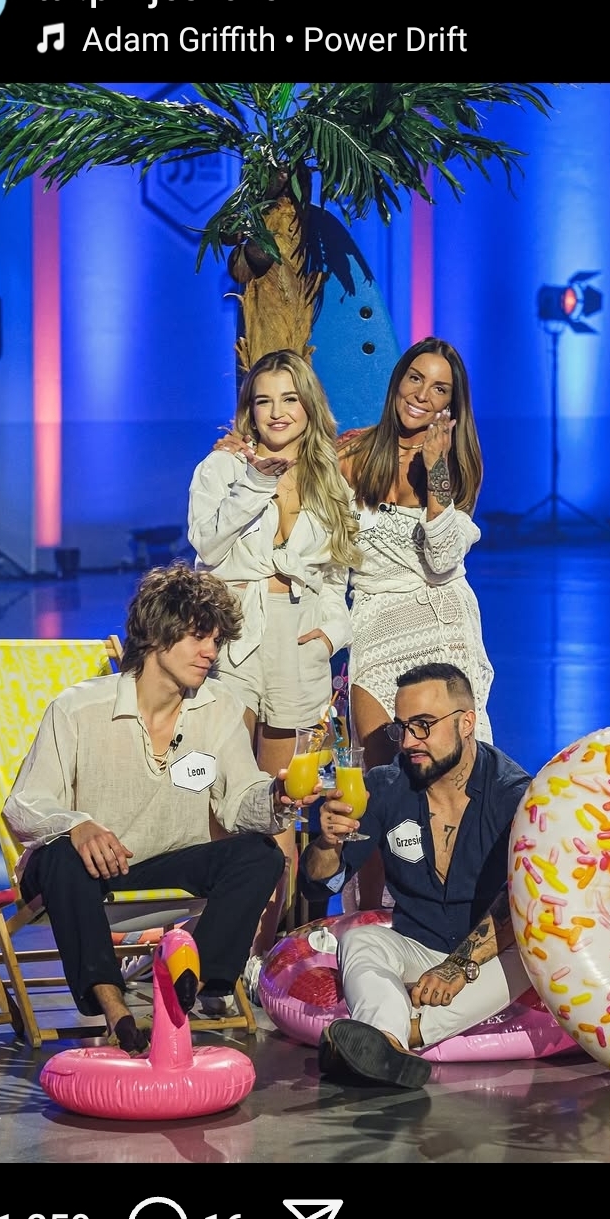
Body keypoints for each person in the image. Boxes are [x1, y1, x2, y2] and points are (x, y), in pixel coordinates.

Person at [3, 565, 302, 1050]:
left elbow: (239, 803)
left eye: (216, 640)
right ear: (156, 634)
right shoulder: (79, 708)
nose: (211, 652)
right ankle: (116, 1010)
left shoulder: (219, 707)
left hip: (167, 866)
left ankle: (189, 985)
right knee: (59, 855)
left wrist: (275, 799)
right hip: (87, 874)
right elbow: (23, 804)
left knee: (260, 854)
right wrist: (77, 826)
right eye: (198, 637)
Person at [189, 351, 360, 960]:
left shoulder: (329, 480)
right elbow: (207, 543)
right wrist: (257, 480)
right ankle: (219, 950)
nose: (277, 412)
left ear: (308, 405)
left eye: (289, 398)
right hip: (237, 637)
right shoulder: (222, 467)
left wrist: (330, 634)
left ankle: (268, 955)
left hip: (300, 641)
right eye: (264, 400)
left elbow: (339, 576)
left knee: (284, 804)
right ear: (249, 409)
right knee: (227, 795)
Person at [302, 663, 529, 1089]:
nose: (408, 742)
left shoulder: (515, 795)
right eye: (402, 728)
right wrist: (328, 844)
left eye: (423, 726)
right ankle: (388, 1045)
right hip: (416, 945)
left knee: (536, 951)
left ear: (466, 723)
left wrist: (459, 966)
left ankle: (397, 1036)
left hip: (490, 955)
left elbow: (524, 899)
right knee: (359, 940)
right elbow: (320, 882)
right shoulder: (385, 785)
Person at [338, 339, 494, 908]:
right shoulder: (351, 453)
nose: (422, 395)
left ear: (453, 404)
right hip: (377, 623)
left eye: (439, 388)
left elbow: (444, 559)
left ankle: (451, 912)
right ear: (397, 380)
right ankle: (373, 916)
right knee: (380, 778)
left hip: (442, 623)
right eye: (414, 379)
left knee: (450, 779)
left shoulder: (456, 465)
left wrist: (436, 472)